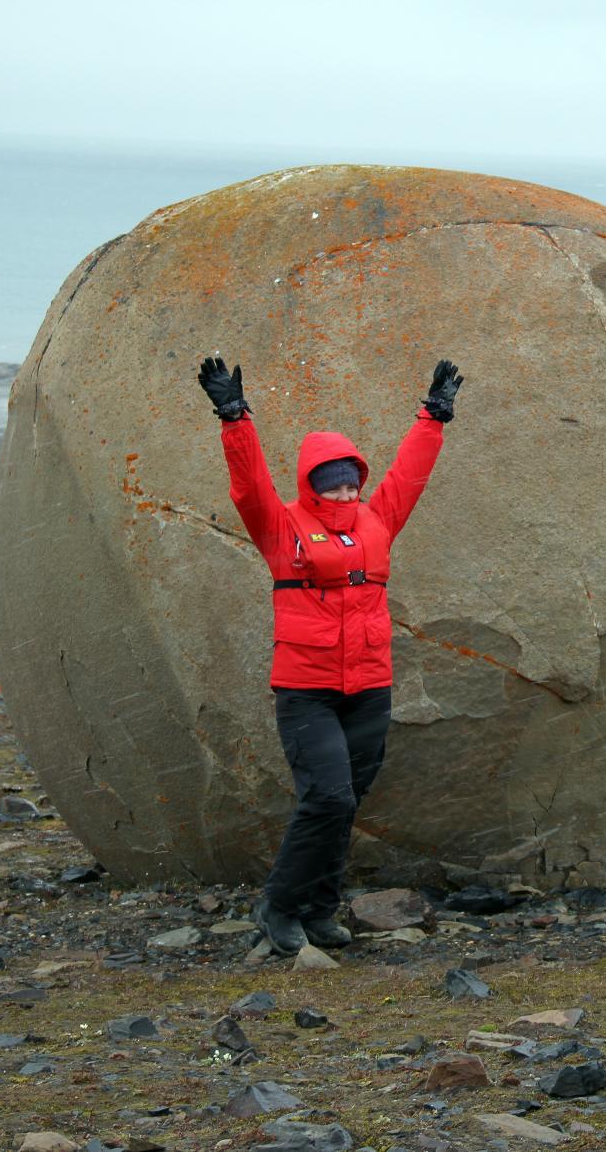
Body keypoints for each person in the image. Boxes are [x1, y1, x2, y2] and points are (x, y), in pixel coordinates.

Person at [197, 354, 462, 956]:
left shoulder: (377, 520)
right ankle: (279, 905)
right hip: (307, 689)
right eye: (332, 480)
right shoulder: (281, 526)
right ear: (311, 482)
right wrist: (234, 417)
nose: (344, 489)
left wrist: (434, 416)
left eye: (350, 479)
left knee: (346, 804)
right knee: (329, 798)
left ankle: (319, 909)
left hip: (369, 685)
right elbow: (248, 484)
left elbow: (410, 474)